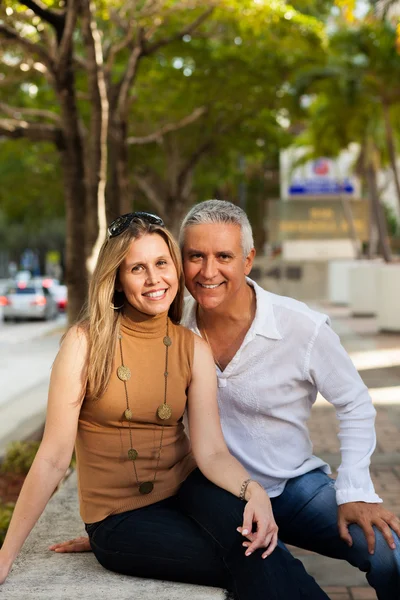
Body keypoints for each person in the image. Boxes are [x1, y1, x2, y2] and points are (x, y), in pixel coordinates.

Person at [55, 201, 400, 599]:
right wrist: (122, 535)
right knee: (260, 561)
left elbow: (355, 403)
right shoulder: (170, 325)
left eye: (224, 256)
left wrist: (355, 489)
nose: (208, 271)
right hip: (214, 495)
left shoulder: (300, 326)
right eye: (195, 257)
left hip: (293, 485)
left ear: (248, 260)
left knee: (389, 553)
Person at [0, 212, 328, 599]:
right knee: (250, 558)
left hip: (191, 489)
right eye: (137, 268)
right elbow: (54, 458)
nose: (154, 279)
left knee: (259, 544)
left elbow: (210, 450)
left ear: (175, 268)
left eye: (161, 263)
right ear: (118, 281)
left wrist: (252, 490)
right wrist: (7, 554)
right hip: (119, 520)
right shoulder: (84, 343)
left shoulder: (193, 348)